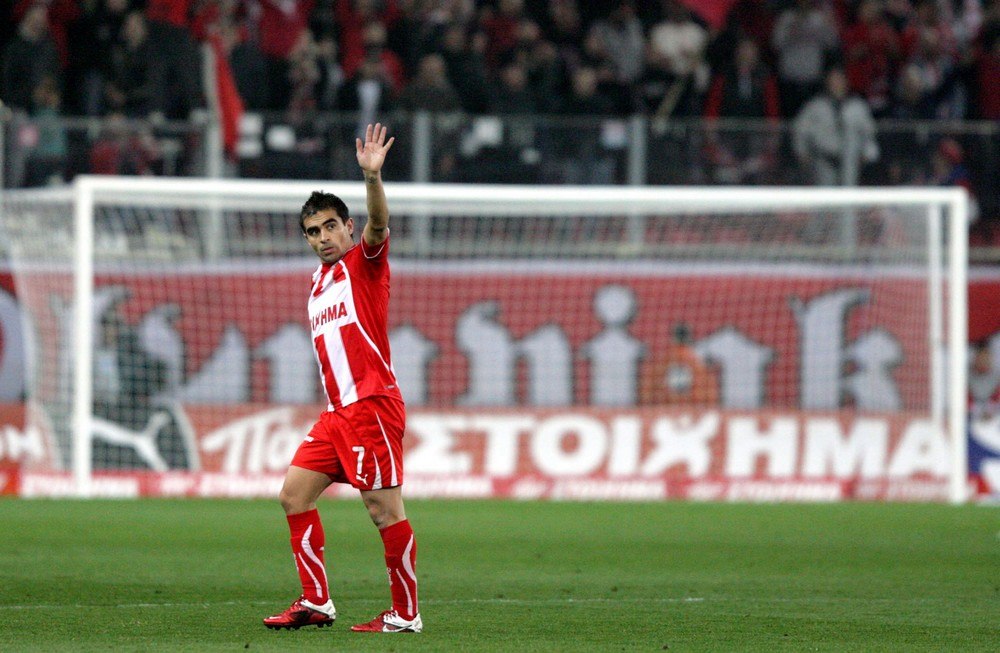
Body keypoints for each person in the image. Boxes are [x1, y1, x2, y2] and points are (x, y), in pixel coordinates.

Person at [263, 123, 422, 634]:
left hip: (371, 406)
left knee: (384, 511)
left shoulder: (364, 264)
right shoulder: (318, 283)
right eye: (313, 231)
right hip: (336, 415)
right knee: (294, 495)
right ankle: (316, 602)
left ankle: (406, 615)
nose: (323, 237)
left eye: (330, 226)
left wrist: (372, 177)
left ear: (348, 227)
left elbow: (380, 223)